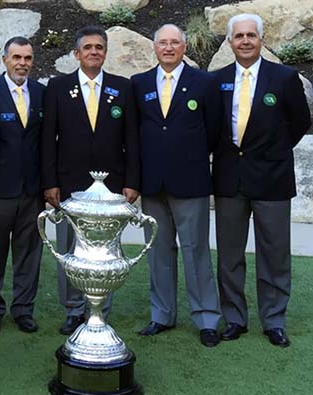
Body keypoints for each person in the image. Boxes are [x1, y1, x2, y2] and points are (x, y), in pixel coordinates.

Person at [213, 14, 311, 347]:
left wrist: (274, 150)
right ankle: (235, 318)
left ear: (261, 39)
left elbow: (300, 121)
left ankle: (273, 320)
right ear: (229, 42)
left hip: (272, 179)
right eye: (238, 36)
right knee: (229, 254)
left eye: (250, 35)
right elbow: (212, 128)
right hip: (229, 180)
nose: (244, 41)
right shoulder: (217, 80)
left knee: (274, 253)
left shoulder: (284, 77)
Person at [41, 25, 140, 335]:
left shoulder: (123, 88)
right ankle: (72, 309)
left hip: (111, 189)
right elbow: (48, 140)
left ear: (105, 53)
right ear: (76, 54)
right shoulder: (57, 87)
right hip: (69, 185)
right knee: (70, 249)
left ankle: (100, 307)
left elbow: (132, 139)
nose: (94, 52)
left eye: (99, 47)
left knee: (105, 250)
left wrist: (132, 181)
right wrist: (50, 182)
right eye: (88, 47)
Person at [131, 24, 222, 347]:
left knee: (196, 251)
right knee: (158, 252)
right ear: (154, 48)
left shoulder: (204, 83)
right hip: (152, 184)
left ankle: (207, 318)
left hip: (191, 181)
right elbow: (136, 133)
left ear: (184, 47)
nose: (168, 48)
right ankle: (161, 315)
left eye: (174, 43)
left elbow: (213, 131)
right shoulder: (139, 84)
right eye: (163, 43)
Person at [0, 36, 45, 335]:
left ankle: (23, 309)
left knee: (30, 252)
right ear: (4, 60)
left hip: (33, 189)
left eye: (27, 58)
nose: (22, 63)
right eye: (17, 57)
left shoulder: (43, 93)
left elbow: (47, 143)